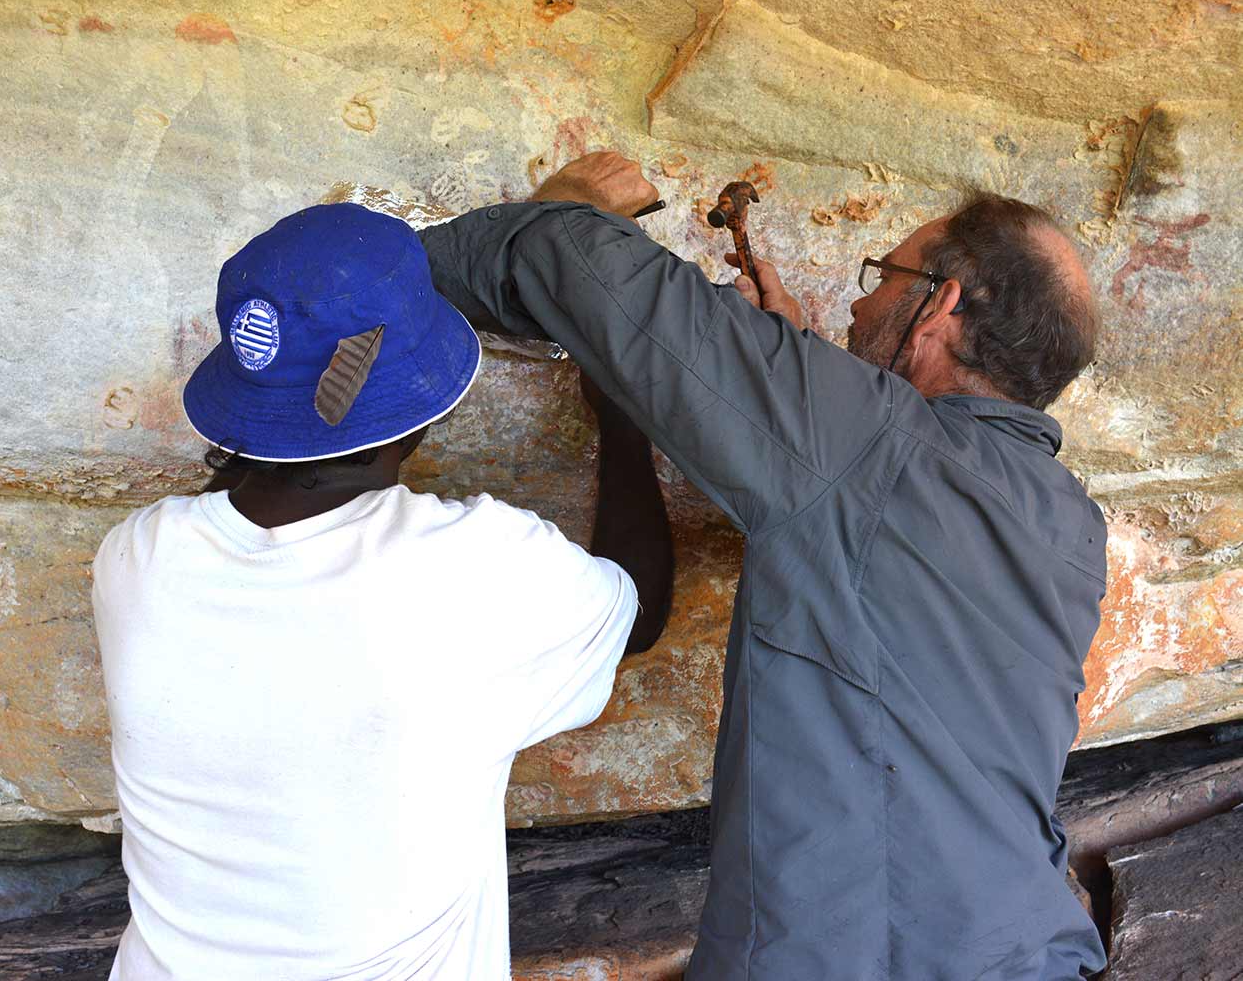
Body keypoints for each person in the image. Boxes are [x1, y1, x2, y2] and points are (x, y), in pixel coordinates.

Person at [419, 152, 1108, 979]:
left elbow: (583, 271)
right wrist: (804, 371)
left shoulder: (859, 445)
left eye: (884, 276)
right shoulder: (1070, 519)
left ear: (942, 305)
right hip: (1024, 949)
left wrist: (572, 207)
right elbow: (890, 501)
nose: (860, 299)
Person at [90, 201, 673, 980]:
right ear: (416, 413)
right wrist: (624, 421)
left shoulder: (135, 558)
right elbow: (636, 610)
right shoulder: (480, 568)